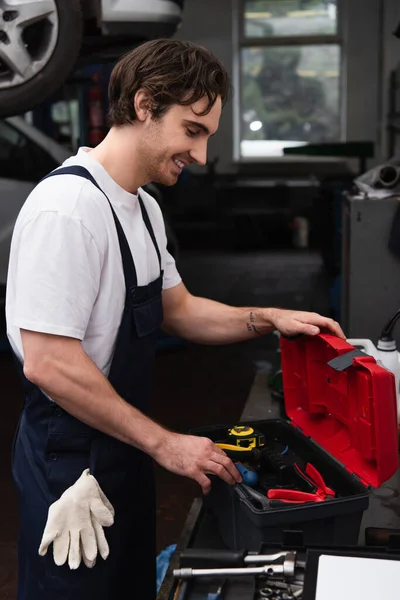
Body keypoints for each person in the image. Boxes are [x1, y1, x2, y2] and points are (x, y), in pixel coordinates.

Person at [6, 38, 345, 600]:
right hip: (68, 465)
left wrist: (271, 316)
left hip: (122, 447)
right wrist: (166, 444)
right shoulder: (66, 211)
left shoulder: (140, 206)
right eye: (194, 130)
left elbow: (180, 310)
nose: (203, 155)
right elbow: (48, 363)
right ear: (144, 104)